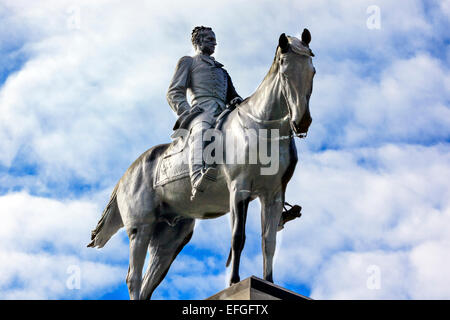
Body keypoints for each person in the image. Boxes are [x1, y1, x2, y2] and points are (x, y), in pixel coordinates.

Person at [167, 26, 243, 200]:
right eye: (210, 39)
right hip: (200, 110)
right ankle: (197, 179)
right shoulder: (188, 62)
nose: (214, 42)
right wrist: (187, 111)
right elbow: (173, 92)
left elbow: (234, 96)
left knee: (252, 135)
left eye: (214, 39)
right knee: (202, 129)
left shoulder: (222, 71)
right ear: (198, 41)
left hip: (224, 113)